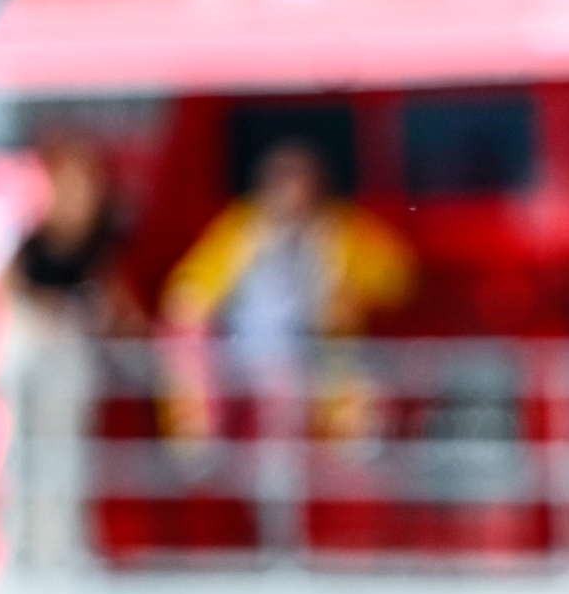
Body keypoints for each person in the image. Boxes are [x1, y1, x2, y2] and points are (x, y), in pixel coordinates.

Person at [158, 138, 414, 545]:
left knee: (364, 401)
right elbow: (189, 290)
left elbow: (397, 277)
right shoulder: (241, 229)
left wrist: (353, 289)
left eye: (303, 182)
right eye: (285, 181)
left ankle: (330, 524)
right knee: (271, 448)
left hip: (322, 358)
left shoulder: (342, 229)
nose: (295, 193)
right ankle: (256, 516)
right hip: (247, 361)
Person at [3, 138, 128, 571]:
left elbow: (115, 305)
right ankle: (18, 549)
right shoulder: (27, 231)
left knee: (66, 456)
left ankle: (64, 547)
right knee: (18, 452)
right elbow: (7, 286)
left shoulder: (98, 242)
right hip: (26, 349)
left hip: (70, 357)